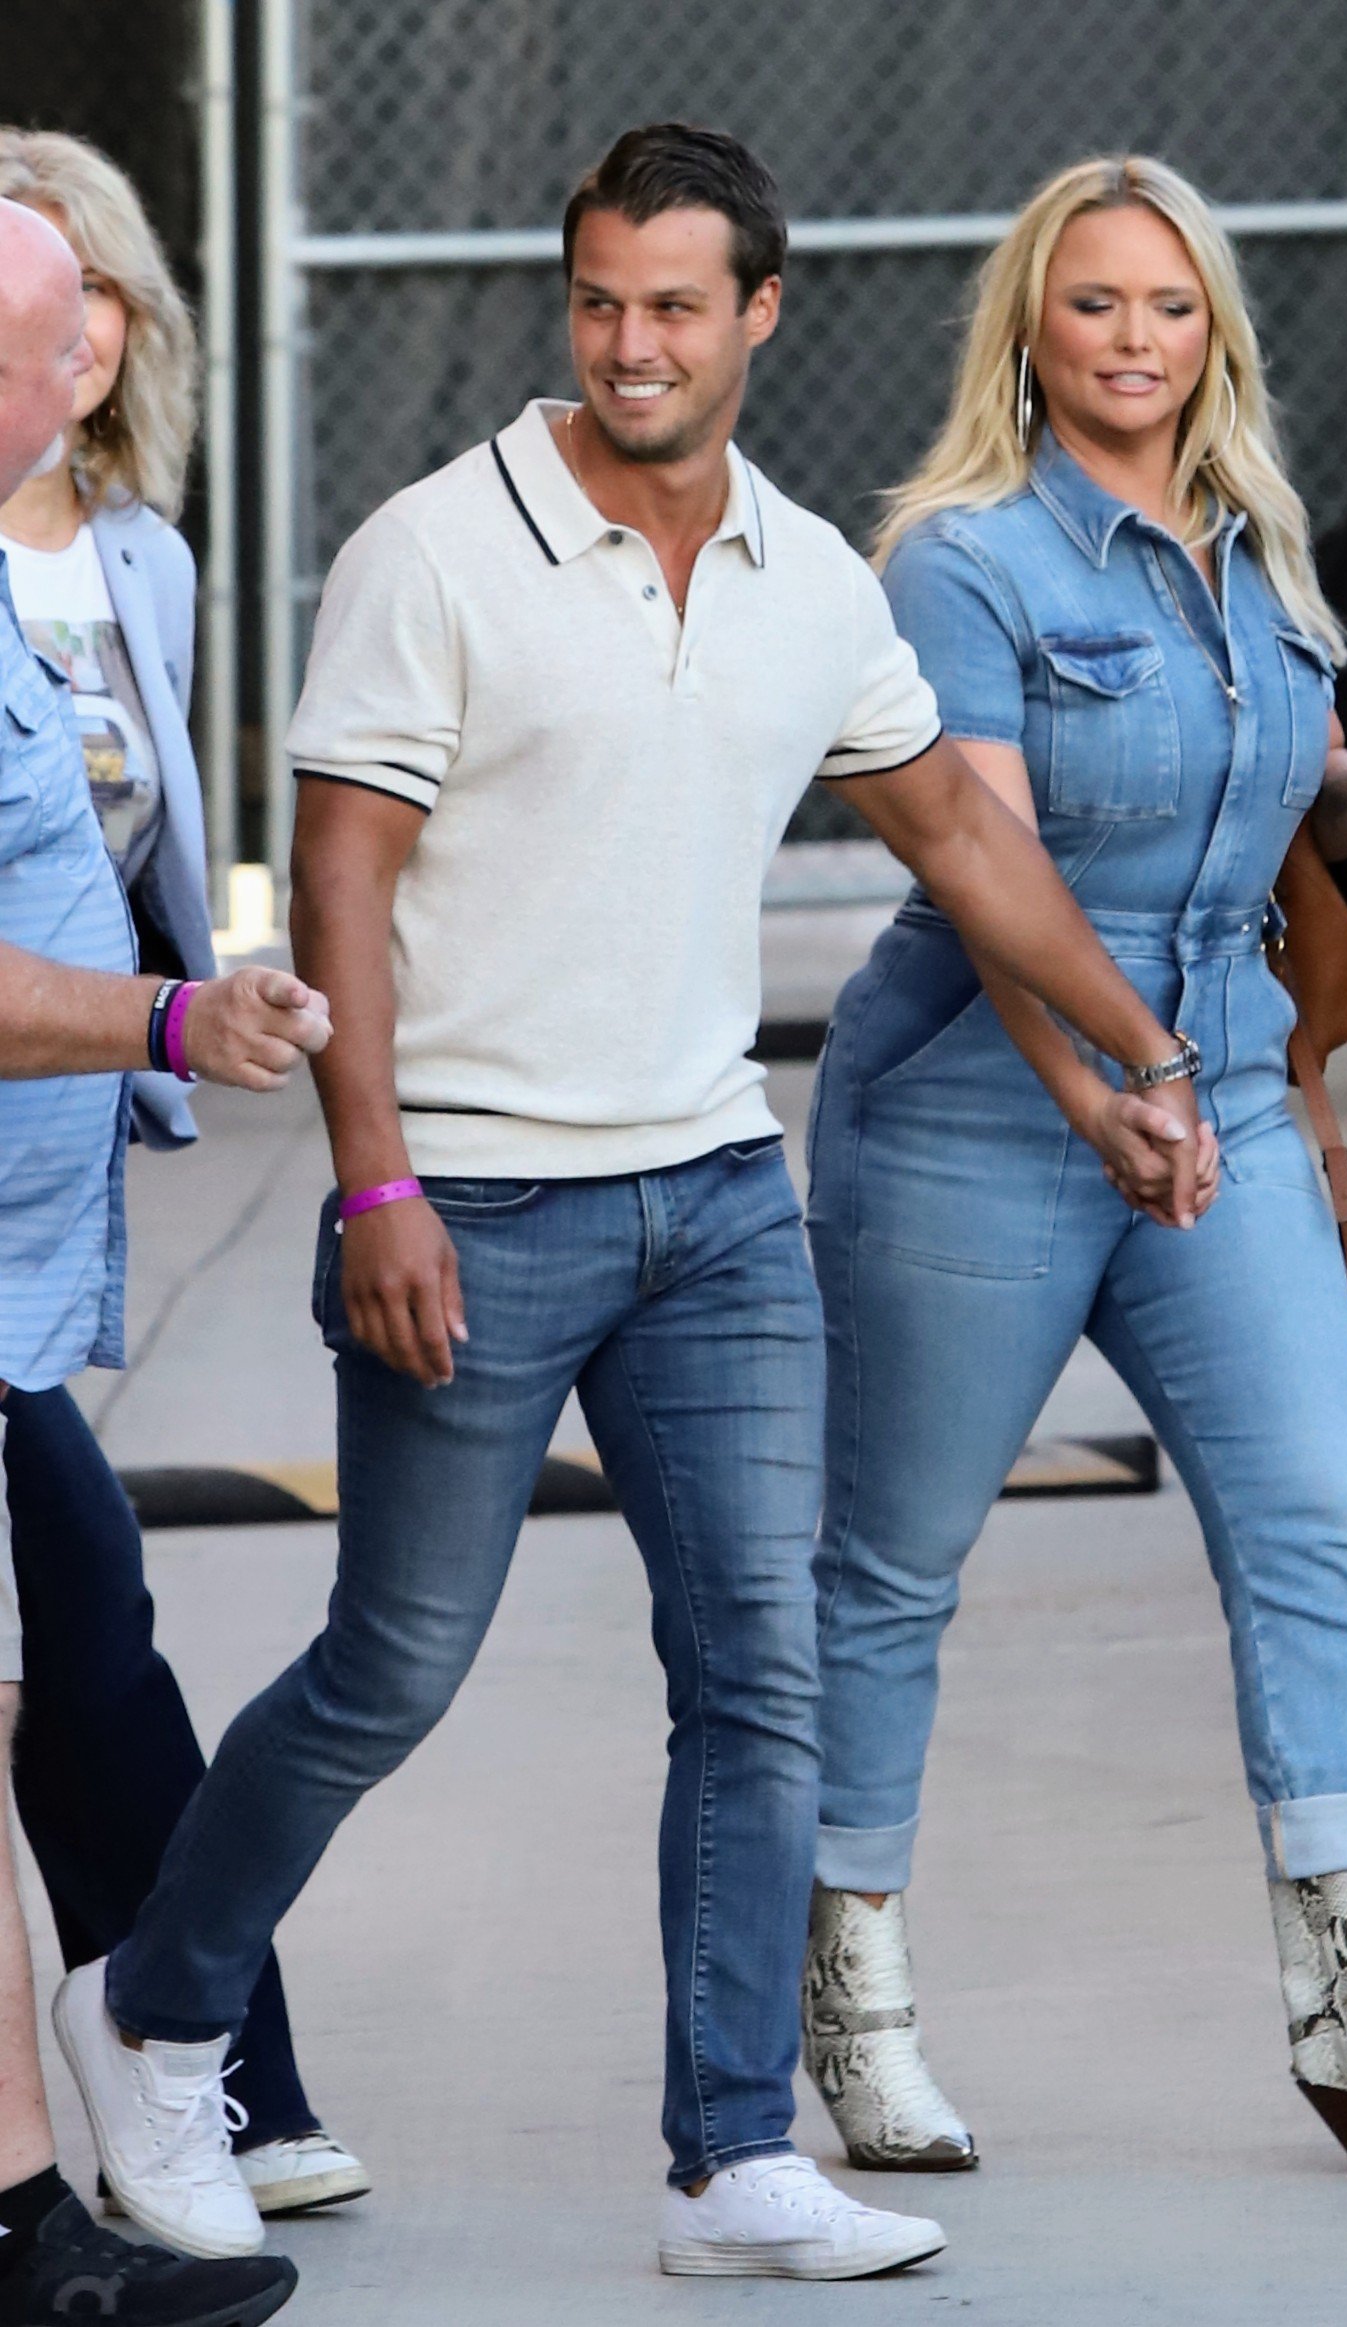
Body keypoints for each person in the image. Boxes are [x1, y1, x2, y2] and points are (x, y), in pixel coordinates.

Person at [53, 122, 1212, 2285]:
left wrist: (1138, 1059)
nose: (630, 342)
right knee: (394, 1664)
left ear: (759, 311)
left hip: (712, 1200)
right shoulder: (434, 548)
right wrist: (375, 1179)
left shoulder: (805, 574)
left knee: (758, 1670)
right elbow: (343, 890)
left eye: (676, 303)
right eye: (598, 299)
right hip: (472, 1199)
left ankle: (727, 2160)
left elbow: (960, 843)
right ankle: (151, 2010)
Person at [799, 153, 1347, 2180]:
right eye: (1089, 305)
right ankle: (847, 2009)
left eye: (1164, 306)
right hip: (978, 1101)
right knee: (890, 1573)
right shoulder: (956, 564)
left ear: (1210, 326)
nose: (1130, 341)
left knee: (1309, 1528)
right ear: (1026, 333)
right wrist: (1094, 1089)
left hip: (1216, 1089)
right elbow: (986, 876)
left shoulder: (1258, 557)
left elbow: (1256, 856)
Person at [0, 128, 368, 2229]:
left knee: (67, 1640)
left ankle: (180, 2082)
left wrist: (191, 1024)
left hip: (67, 1164)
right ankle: (198, 2073)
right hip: (25, 1136)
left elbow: (154, 845)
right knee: (87, 1631)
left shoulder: (138, 551)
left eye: (96, 282)